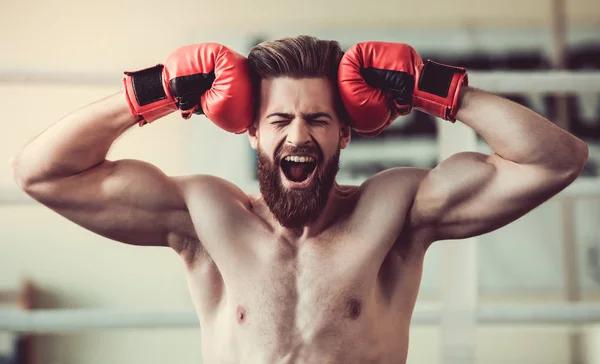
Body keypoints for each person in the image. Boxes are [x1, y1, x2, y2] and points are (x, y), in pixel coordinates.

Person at [10, 36, 588, 363]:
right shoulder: (207, 218)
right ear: (253, 132)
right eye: (280, 119)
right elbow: (42, 175)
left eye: (317, 119)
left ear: (346, 133)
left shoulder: (393, 214)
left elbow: (554, 160)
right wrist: (159, 90)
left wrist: (429, 88)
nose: (298, 136)